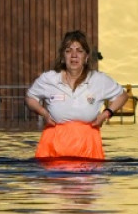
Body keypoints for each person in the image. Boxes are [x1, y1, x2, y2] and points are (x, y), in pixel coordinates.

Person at [26, 30, 128, 161]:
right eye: (68, 51)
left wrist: (106, 114)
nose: (74, 55)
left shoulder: (99, 80)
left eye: (79, 51)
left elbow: (122, 96)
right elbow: (30, 97)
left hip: (88, 151)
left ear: (86, 57)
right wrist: (44, 113)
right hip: (53, 152)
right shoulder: (49, 79)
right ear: (62, 56)